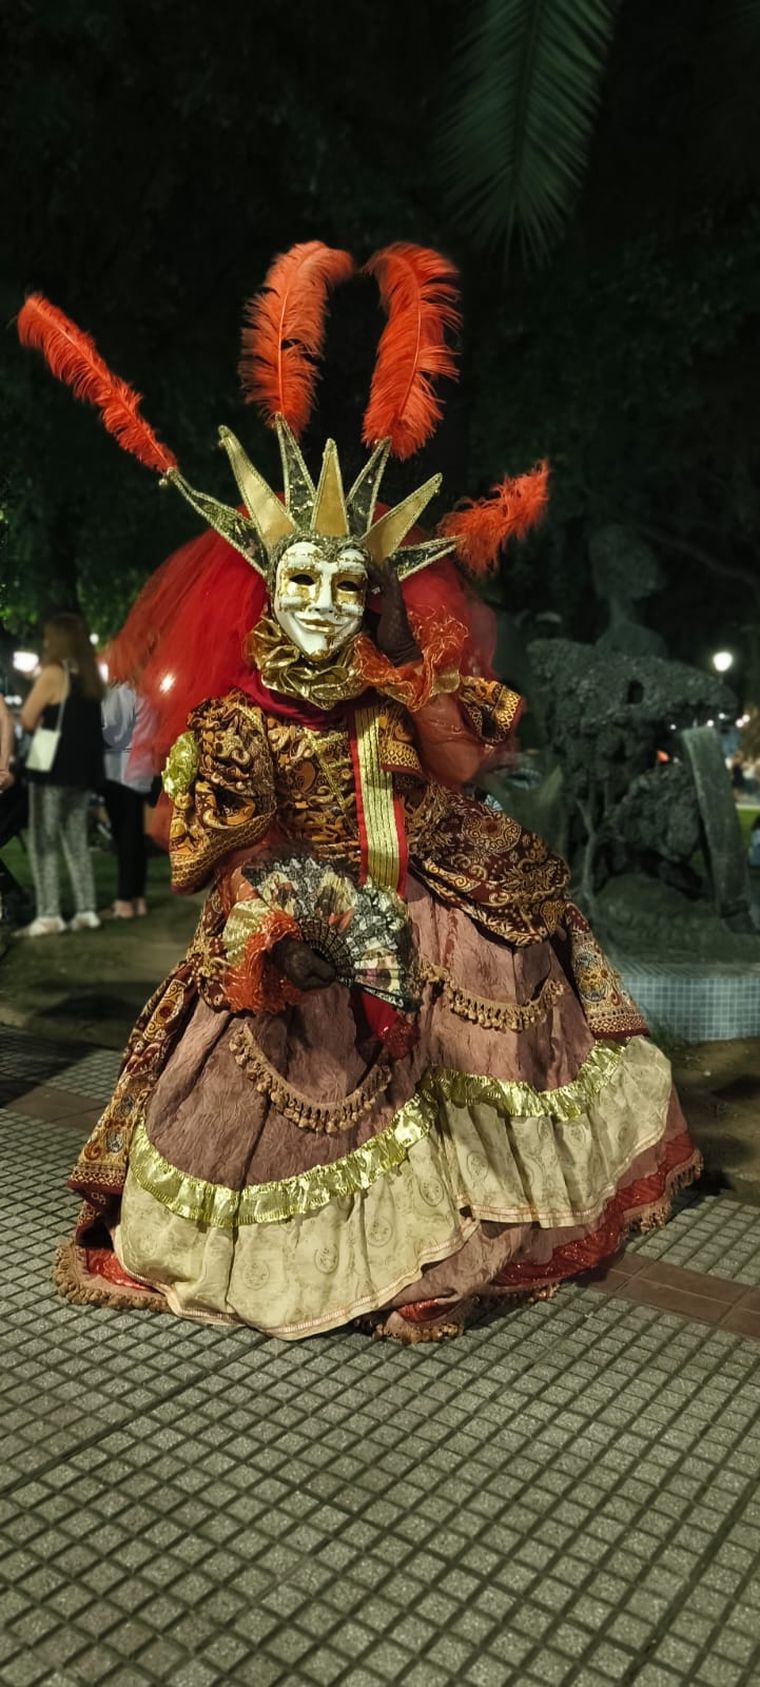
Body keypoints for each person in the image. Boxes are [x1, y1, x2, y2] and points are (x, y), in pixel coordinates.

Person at [19, 246, 700, 1342]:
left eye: (347, 582)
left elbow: (458, 757)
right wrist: (281, 921)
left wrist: (427, 702)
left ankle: (479, 1189)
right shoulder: (241, 720)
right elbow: (217, 850)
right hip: (312, 921)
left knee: (504, 951)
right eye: (302, 579)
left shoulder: (396, 684)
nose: (326, 603)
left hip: (428, 878)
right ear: (264, 586)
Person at [17, 612, 104, 937]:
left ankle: (50, 913)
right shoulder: (89, 676)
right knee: (76, 842)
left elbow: (27, 718)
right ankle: (86, 909)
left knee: (44, 841)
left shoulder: (53, 673)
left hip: (49, 767)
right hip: (79, 771)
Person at [101, 682, 154, 918]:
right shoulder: (149, 693)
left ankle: (124, 900)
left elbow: (110, 730)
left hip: (119, 770)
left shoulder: (121, 693)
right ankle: (137, 897)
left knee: (124, 837)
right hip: (141, 769)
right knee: (135, 835)